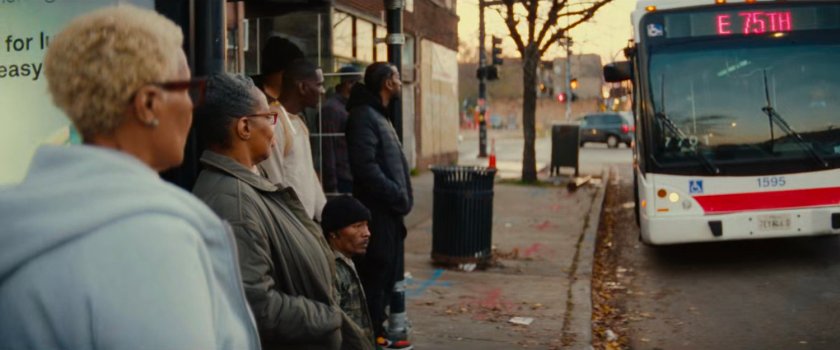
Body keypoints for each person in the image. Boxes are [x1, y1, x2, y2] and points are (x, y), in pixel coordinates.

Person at [0, 6, 259, 350]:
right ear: (149, 104)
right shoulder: (155, 241)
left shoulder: (21, 220)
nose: (191, 106)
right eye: (188, 89)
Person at [192, 73, 369, 350]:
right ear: (244, 127)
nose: (274, 129)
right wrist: (330, 318)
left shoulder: (249, 181)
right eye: (269, 117)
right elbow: (256, 306)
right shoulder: (233, 203)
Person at [345, 62, 414, 350]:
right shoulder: (364, 116)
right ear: (387, 82)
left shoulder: (378, 114)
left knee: (386, 277)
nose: (400, 82)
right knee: (375, 277)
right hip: (378, 212)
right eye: (397, 77)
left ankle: (380, 332)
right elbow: (366, 167)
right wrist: (396, 193)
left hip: (390, 212)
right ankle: (372, 337)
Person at [259, 59, 327, 220]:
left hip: (304, 224)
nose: (323, 91)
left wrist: (326, 217)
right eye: (318, 85)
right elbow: (273, 181)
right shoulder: (274, 121)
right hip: (289, 223)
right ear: (302, 87)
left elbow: (308, 174)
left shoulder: (298, 122)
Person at [321, 196, 376, 346]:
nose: (366, 233)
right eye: (357, 226)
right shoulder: (331, 269)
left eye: (366, 225)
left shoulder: (347, 260)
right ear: (333, 233)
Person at [321, 65, 361, 194]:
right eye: (358, 84)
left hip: (351, 174)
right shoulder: (332, 108)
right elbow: (328, 145)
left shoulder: (348, 106)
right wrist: (331, 183)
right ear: (349, 84)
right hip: (341, 178)